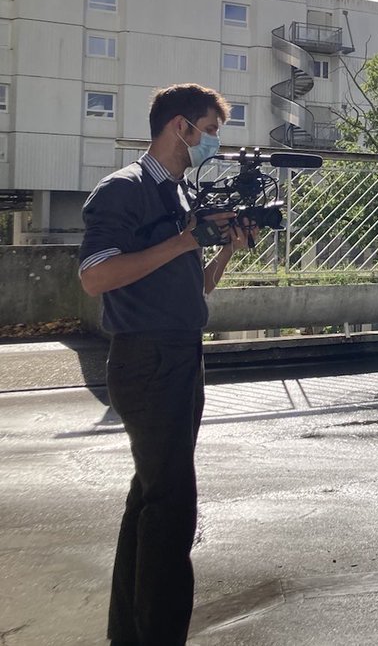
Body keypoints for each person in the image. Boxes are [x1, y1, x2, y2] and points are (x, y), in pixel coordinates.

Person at [79, 83, 250, 646]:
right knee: (172, 504)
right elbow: (95, 276)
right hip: (146, 357)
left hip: (178, 353)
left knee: (151, 495)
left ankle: (129, 632)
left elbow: (194, 287)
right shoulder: (124, 189)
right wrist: (183, 241)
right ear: (182, 126)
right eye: (211, 130)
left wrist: (223, 248)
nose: (214, 142)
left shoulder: (180, 196)